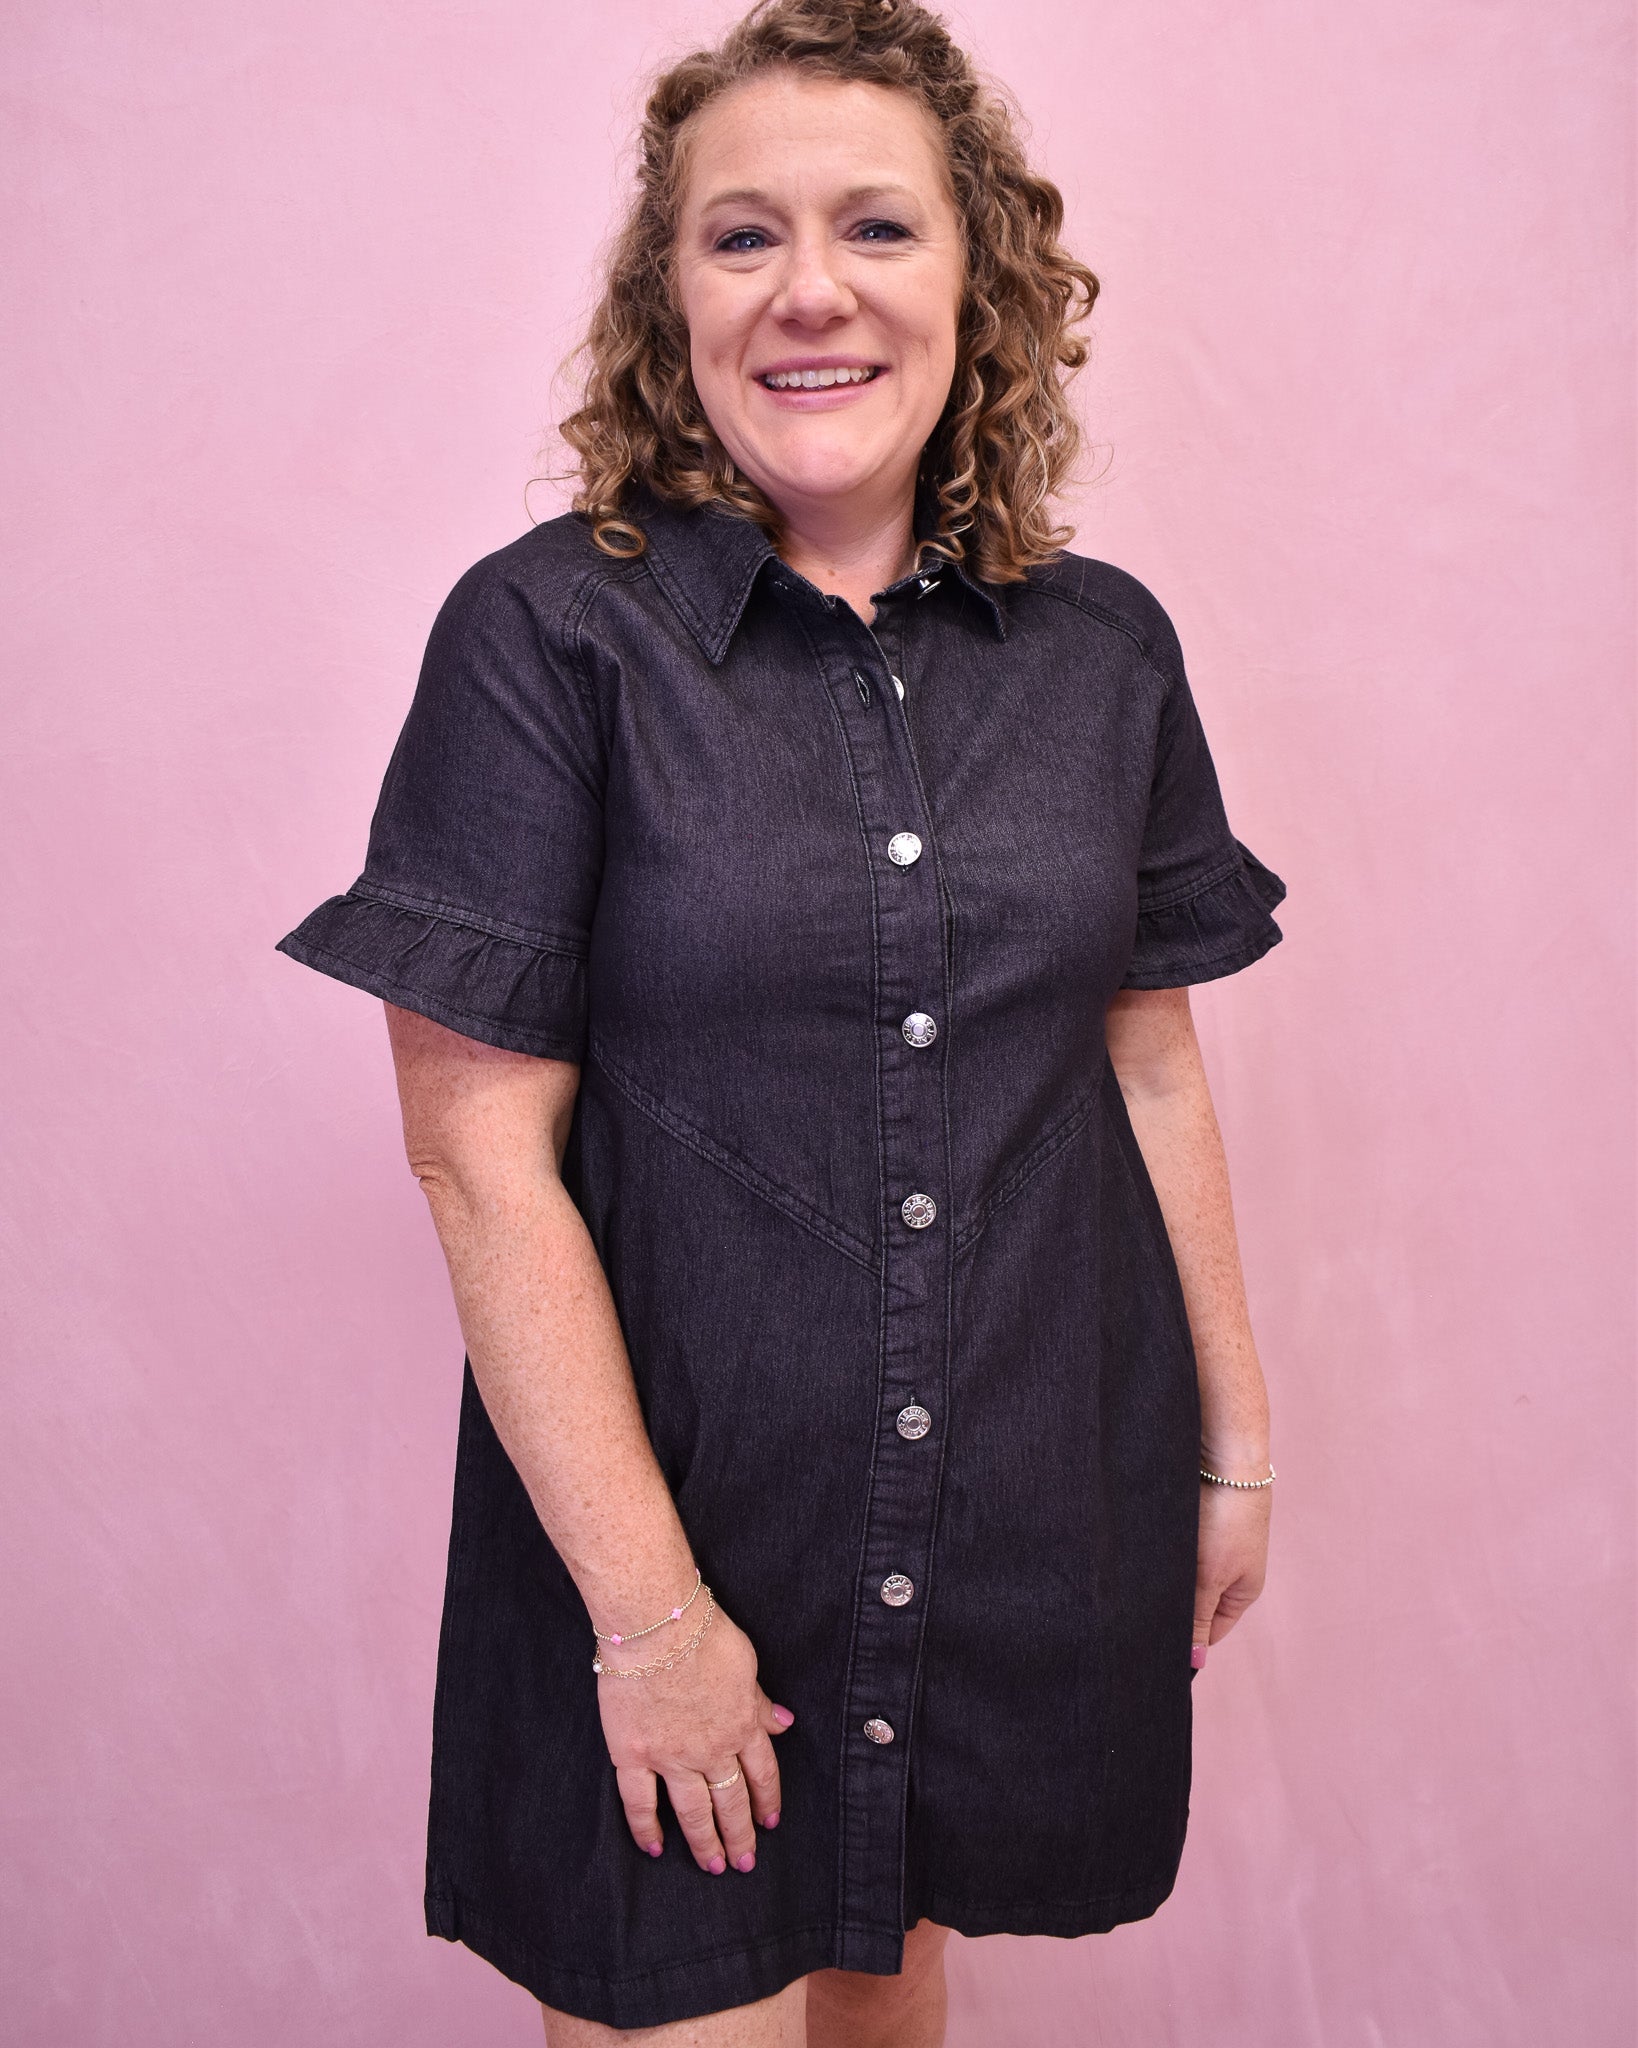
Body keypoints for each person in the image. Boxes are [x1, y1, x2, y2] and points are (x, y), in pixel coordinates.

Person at [276, 1, 1287, 2040]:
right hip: (679, 1554)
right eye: (742, 236)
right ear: (671, 295)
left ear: (976, 280)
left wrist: (1234, 1447)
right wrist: (652, 1621)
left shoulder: (1105, 655)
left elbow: (1144, 1055)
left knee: (901, 2007)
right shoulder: (548, 634)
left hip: (1019, 1516)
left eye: (875, 229)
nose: (811, 288)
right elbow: (478, 1157)